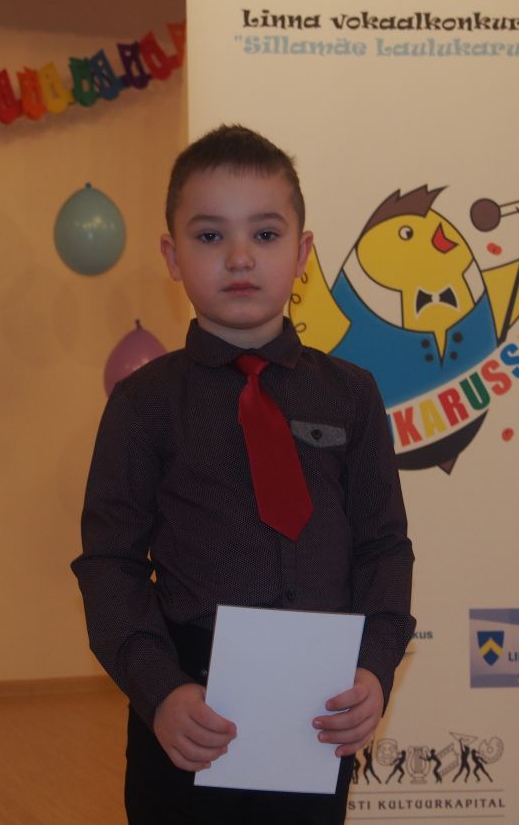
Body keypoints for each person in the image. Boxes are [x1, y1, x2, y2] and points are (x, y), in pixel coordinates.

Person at [71, 124, 416, 824]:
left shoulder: (351, 394)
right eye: (209, 236)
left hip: (318, 710)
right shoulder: (143, 403)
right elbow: (110, 564)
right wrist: (160, 690)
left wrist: (374, 667)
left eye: (264, 234)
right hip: (187, 708)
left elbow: (383, 547)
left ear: (303, 253)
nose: (238, 257)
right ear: (172, 256)